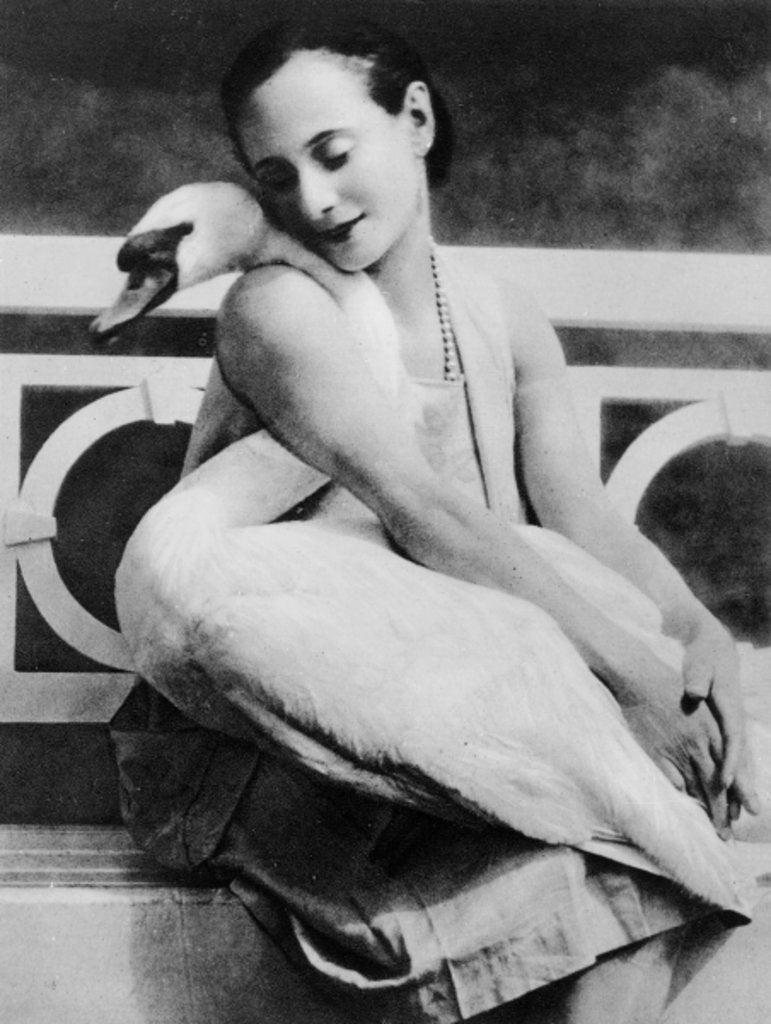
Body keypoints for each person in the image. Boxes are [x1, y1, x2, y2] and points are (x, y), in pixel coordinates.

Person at [110, 16, 763, 1024]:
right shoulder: (280, 309)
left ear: (414, 119)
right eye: (277, 179)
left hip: (475, 710)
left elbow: (579, 517)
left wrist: (691, 634)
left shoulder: (503, 317)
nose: (314, 200)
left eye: (333, 154)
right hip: (284, 731)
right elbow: (420, 508)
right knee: (584, 892)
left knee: (626, 891)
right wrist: (635, 682)